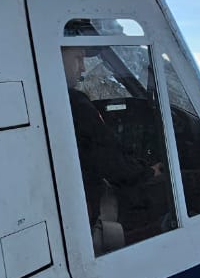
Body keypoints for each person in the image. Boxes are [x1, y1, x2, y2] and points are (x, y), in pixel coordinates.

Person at [61, 45, 164, 228]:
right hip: (87, 205)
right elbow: (113, 164)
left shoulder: (48, 97)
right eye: (78, 58)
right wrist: (149, 171)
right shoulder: (75, 103)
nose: (83, 67)